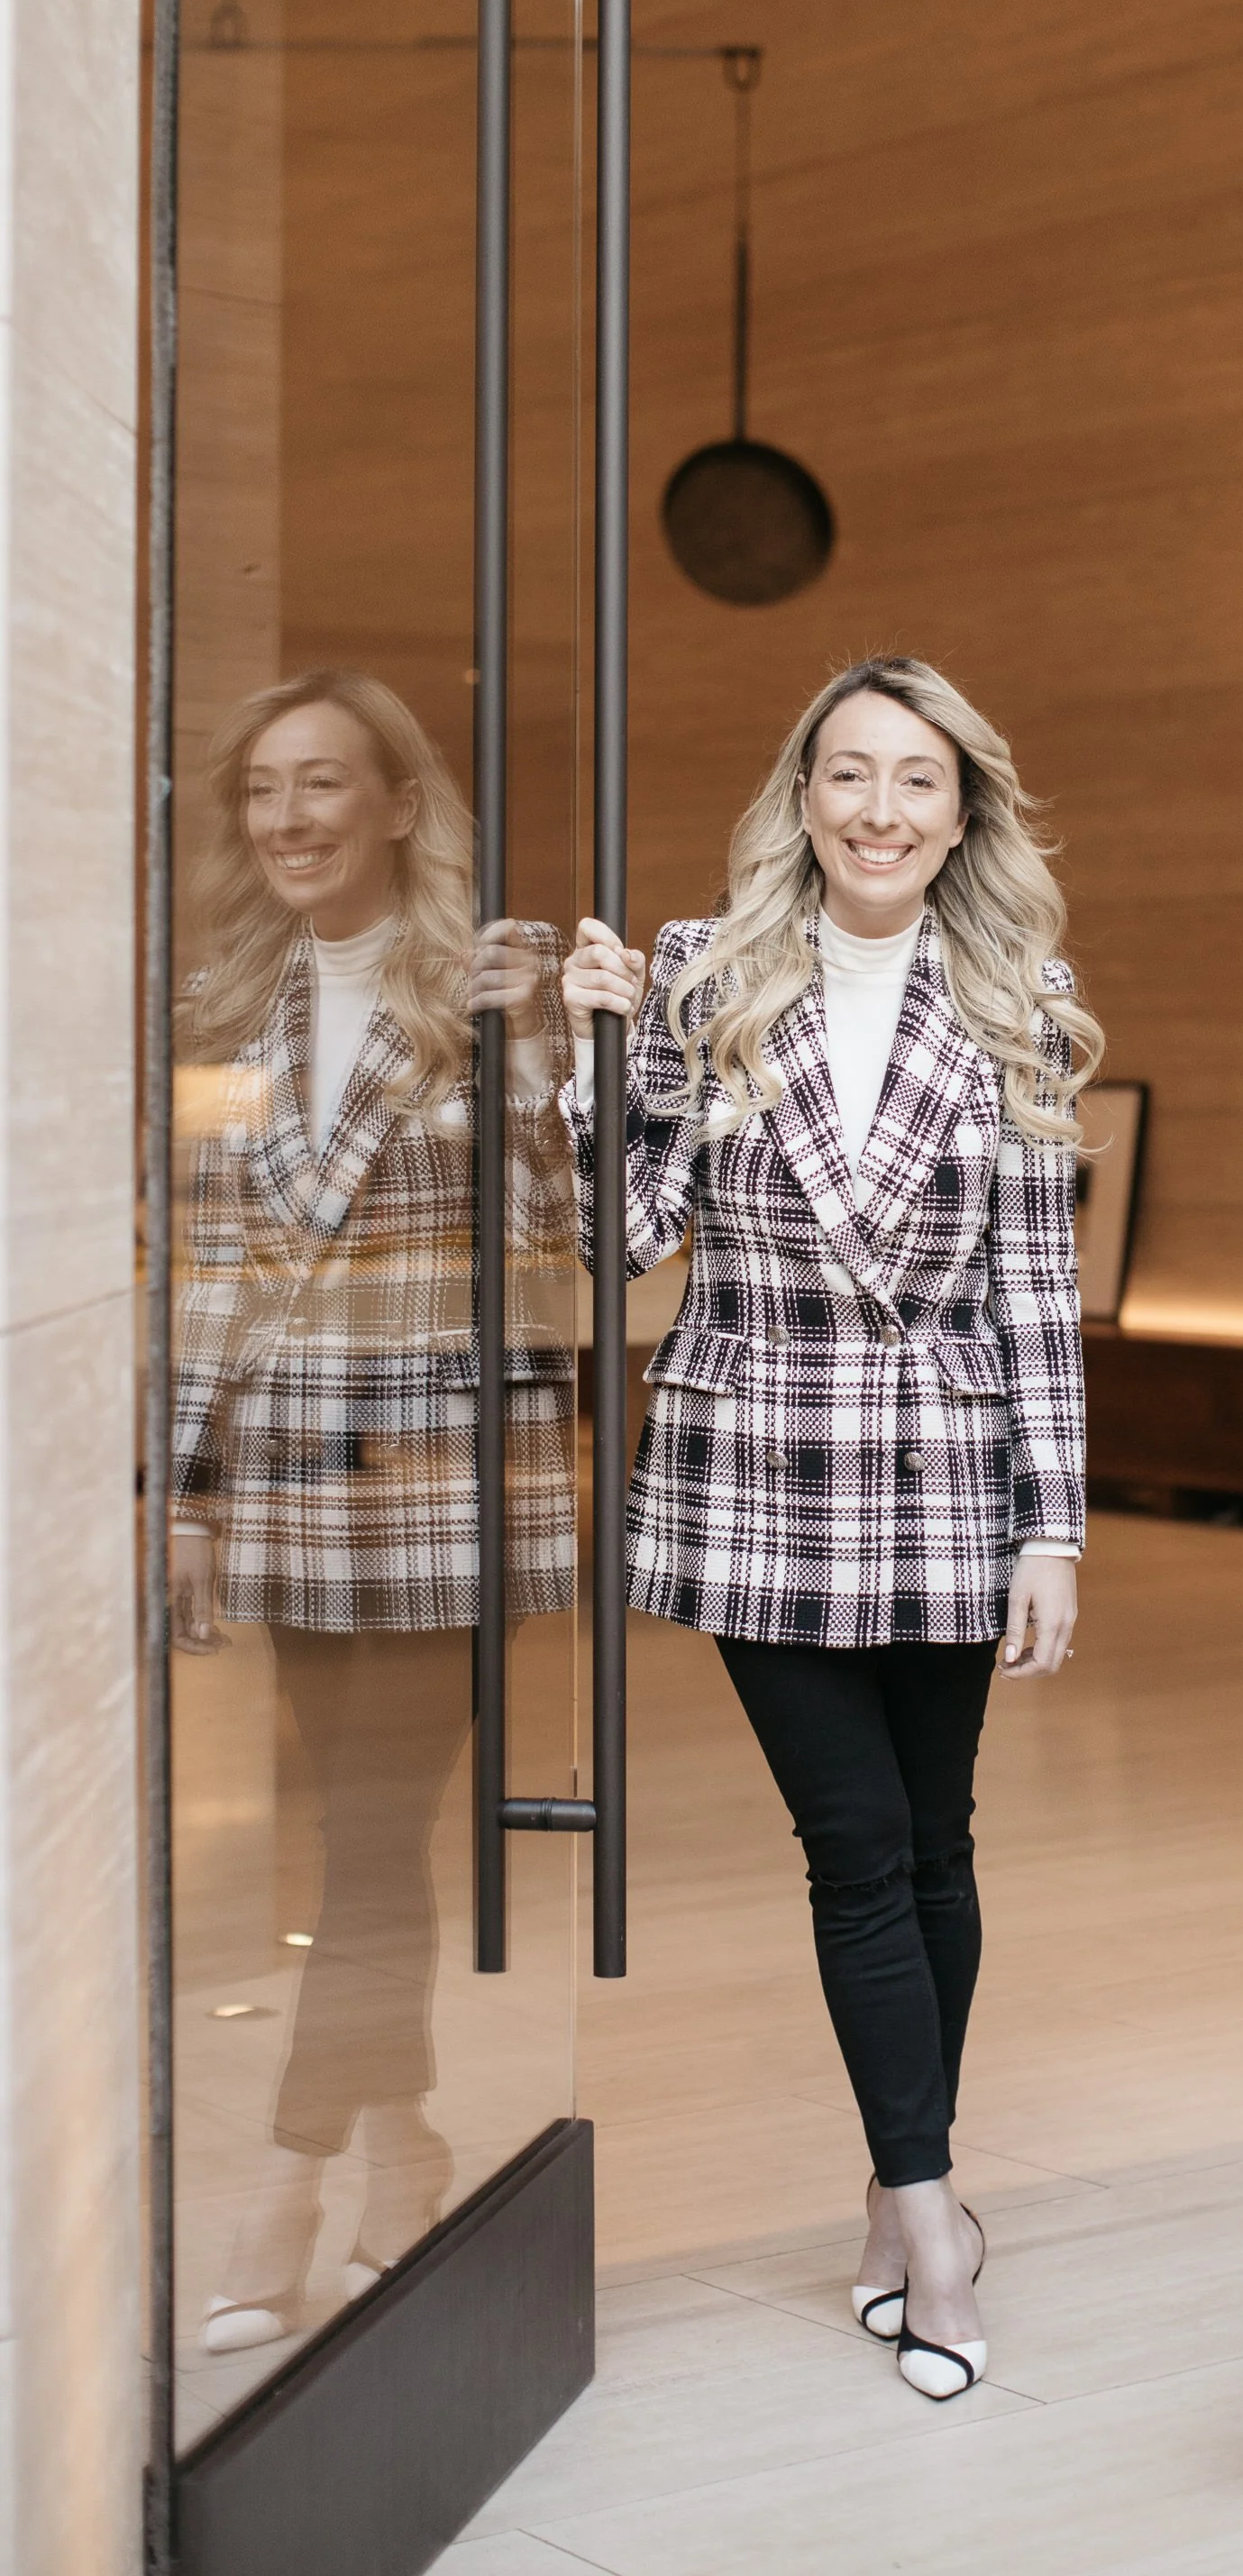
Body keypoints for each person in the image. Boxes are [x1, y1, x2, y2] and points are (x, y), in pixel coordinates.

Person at [562, 655, 1100, 2399]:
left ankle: (889, 2191)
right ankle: (936, 2214)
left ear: (963, 812)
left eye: (918, 782)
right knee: (858, 1842)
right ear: (802, 797)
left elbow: (1035, 1290)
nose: (881, 810)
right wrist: (589, 1061)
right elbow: (622, 1235)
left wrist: (1054, 1530)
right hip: (758, 1469)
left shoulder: (1019, 989)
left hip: (950, 1476)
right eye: (849, 775)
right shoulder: (697, 970)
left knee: (937, 1847)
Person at [170, 668, 574, 2353]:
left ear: (401, 805)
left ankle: (283, 2187)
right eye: (265, 792)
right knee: (363, 1843)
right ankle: (404, 2151)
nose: (289, 820)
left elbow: (564, 1227)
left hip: (435, 1495)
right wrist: (182, 1490)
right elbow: (209, 1274)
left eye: (323, 785)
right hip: (282, 1496)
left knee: (364, 1849)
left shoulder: (484, 987)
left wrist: (540, 1042)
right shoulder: (223, 1011)